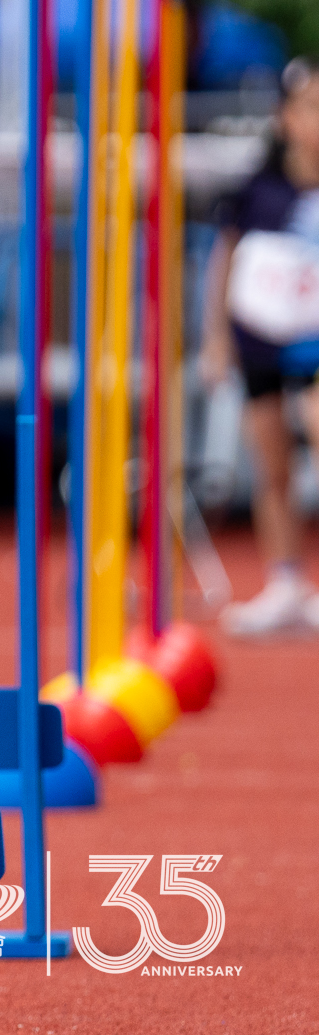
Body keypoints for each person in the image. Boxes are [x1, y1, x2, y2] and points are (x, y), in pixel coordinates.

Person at [202, 57, 319, 638]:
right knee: (271, 463)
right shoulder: (259, 189)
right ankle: (286, 582)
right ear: (287, 118)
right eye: (313, 108)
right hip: (263, 338)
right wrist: (216, 338)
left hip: (315, 339)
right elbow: (224, 259)